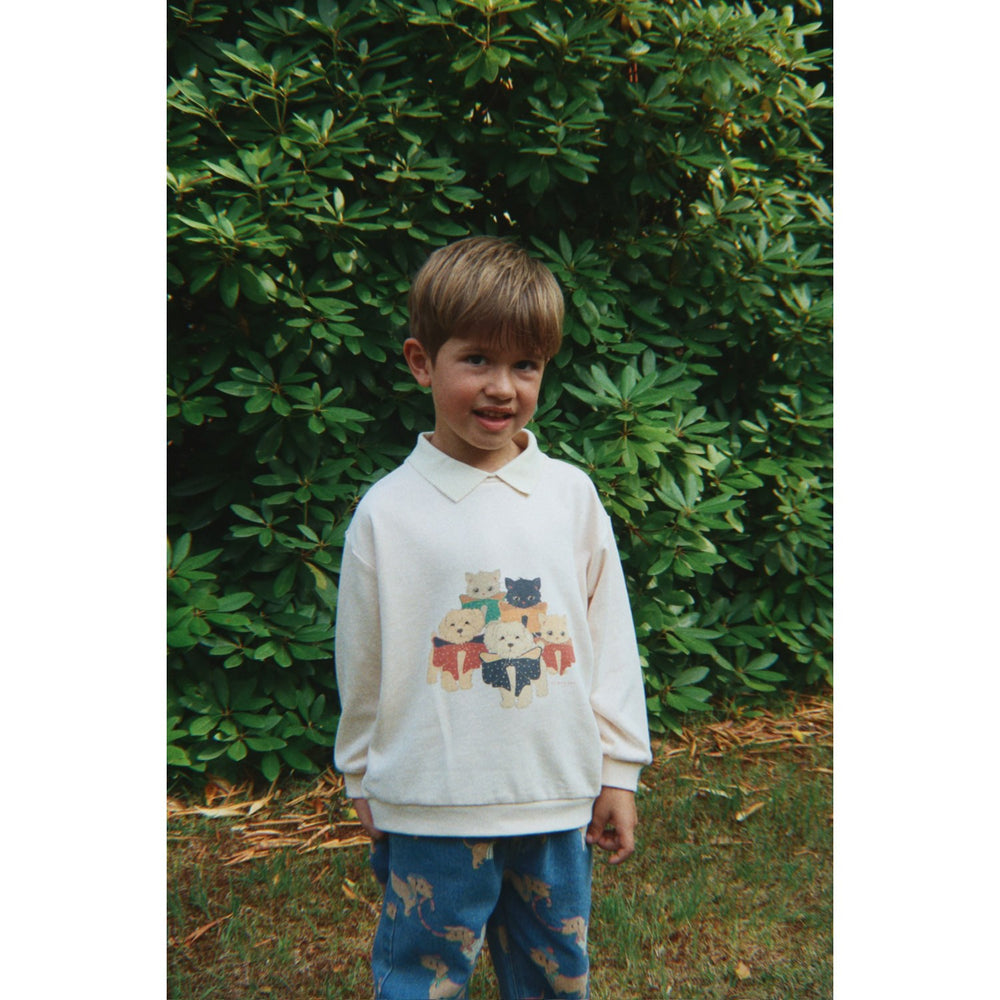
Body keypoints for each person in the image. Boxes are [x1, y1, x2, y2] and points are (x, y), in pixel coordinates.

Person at [334, 236, 652, 999]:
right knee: (420, 978)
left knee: (553, 977)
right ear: (422, 362)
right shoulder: (388, 511)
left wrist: (618, 771)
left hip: (555, 796)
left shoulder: (570, 496)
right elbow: (362, 654)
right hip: (430, 804)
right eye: (476, 359)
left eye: (526, 365)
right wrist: (361, 773)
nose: (502, 388)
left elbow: (608, 638)